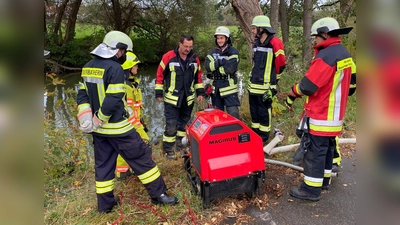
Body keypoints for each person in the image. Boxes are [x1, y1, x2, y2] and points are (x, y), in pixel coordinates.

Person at [76, 30, 178, 213]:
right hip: (118, 129)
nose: (123, 55)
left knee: (104, 166)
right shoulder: (114, 68)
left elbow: (82, 95)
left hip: (98, 132)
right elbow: (114, 98)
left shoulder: (88, 66)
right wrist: (99, 119)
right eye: (124, 51)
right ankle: (159, 195)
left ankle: (105, 205)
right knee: (142, 159)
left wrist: (86, 117)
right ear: (119, 50)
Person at [287, 17, 354, 201]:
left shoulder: (326, 56)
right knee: (326, 148)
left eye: (315, 37)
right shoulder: (345, 54)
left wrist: (293, 91)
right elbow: (351, 86)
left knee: (315, 152)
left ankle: (310, 189)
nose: (314, 41)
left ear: (325, 34)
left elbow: (308, 86)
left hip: (321, 114)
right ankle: (323, 181)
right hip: (336, 115)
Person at [155, 34, 204, 160]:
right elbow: (160, 75)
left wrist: (200, 93)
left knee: (183, 125)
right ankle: (168, 150)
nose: (188, 49)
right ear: (179, 44)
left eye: (190, 46)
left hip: (187, 99)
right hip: (172, 98)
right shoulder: (168, 56)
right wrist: (159, 93)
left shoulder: (194, 58)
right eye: (186, 46)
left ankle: (180, 145)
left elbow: (198, 77)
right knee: (171, 125)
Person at [248, 15, 286, 145]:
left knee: (264, 112)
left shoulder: (275, 43)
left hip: (265, 87)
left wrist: (273, 86)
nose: (253, 31)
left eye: (254, 28)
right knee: (254, 113)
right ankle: (255, 135)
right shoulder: (256, 43)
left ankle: (263, 138)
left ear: (262, 28)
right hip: (253, 86)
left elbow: (280, 66)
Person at [115, 52, 150, 180]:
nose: (137, 67)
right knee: (138, 145)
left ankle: (126, 171)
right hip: (129, 124)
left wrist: (142, 121)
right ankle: (126, 172)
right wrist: (137, 127)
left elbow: (136, 107)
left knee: (130, 147)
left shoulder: (132, 84)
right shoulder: (125, 87)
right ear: (129, 67)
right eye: (135, 65)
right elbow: (126, 110)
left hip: (135, 122)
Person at [204, 26, 240, 119]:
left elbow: (229, 69)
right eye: (218, 38)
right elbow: (207, 67)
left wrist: (215, 69)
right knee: (217, 116)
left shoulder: (233, 52)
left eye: (222, 38)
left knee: (233, 114)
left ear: (227, 38)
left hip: (229, 88)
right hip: (216, 89)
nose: (220, 40)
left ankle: (234, 132)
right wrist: (219, 62)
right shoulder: (212, 52)